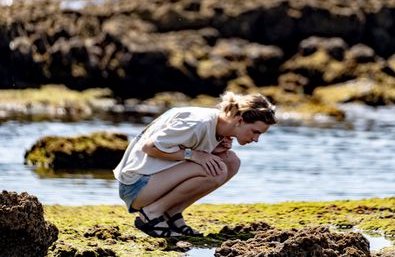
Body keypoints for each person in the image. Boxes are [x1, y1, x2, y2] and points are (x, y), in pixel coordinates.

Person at [113, 91, 277, 237]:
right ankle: (152, 213)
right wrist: (193, 154)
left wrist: (214, 149)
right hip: (135, 185)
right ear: (240, 121)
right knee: (217, 170)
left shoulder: (220, 127)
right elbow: (149, 147)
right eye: (255, 132)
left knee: (231, 162)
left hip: (153, 181)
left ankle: (172, 213)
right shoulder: (199, 123)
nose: (256, 139)